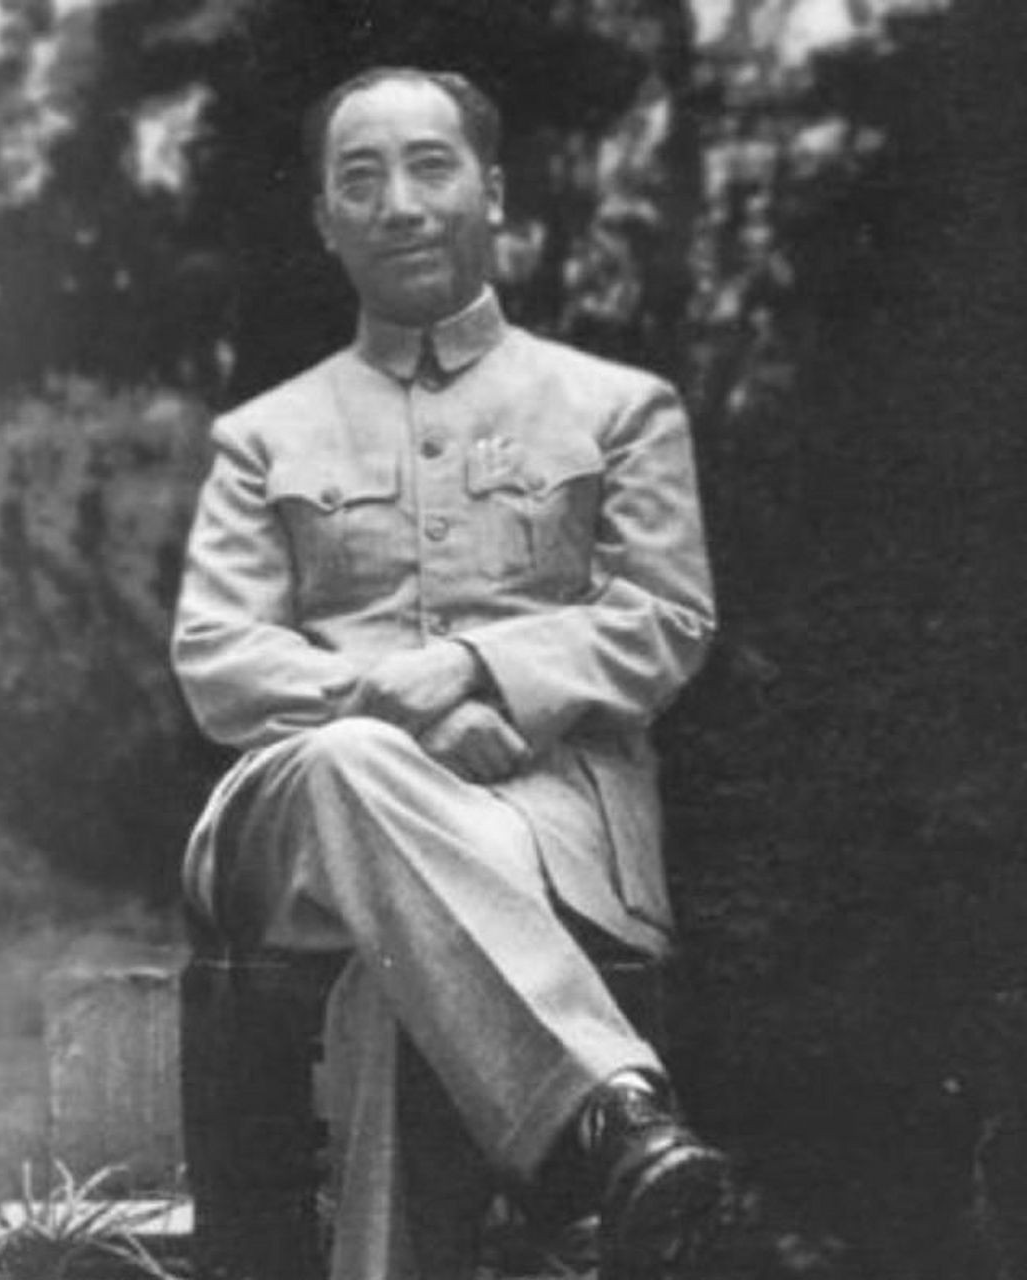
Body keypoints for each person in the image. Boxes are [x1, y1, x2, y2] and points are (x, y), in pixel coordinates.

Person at [172, 64, 729, 1280]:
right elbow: (218, 656)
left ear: (494, 191)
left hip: (548, 817)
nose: (401, 204)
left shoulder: (619, 407)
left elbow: (667, 617)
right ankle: (605, 1106)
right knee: (350, 761)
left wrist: (479, 661)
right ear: (325, 218)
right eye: (360, 179)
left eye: (431, 166)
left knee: (406, 966)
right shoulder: (263, 437)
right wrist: (407, 708)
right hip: (294, 824)